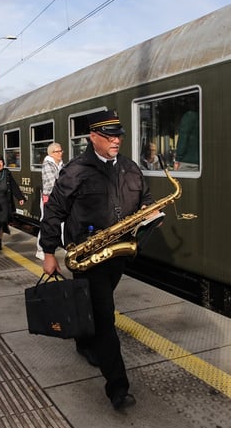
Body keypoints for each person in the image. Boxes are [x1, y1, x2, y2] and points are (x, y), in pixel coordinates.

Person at [39, 109, 154, 411]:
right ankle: (118, 388)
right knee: (105, 317)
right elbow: (54, 212)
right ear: (93, 137)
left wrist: (152, 212)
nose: (116, 140)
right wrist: (49, 253)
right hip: (87, 257)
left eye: (119, 135)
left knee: (93, 306)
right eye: (109, 135)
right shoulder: (75, 171)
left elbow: (147, 199)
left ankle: (82, 341)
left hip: (118, 253)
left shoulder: (130, 168)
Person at [35, 142, 64, 260]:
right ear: (51, 153)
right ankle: (40, 249)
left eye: (61, 151)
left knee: (62, 223)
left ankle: (61, 245)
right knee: (47, 223)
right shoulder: (48, 165)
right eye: (58, 151)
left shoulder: (60, 164)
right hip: (50, 198)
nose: (61, 153)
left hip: (60, 198)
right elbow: (53, 183)